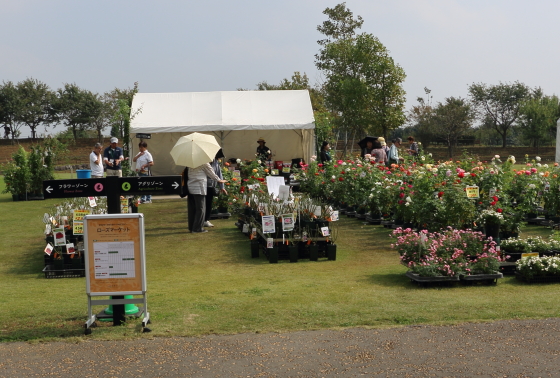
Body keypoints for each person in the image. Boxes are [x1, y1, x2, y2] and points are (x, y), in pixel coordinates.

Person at [187, 162, 227, 233]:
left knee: (193, 209)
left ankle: (191, 227)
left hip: (191, 186)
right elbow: (211, 173)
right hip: (199, 187)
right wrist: (219, 180)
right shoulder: (204, 162)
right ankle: (197, 229)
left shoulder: (190, 163)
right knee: (201, 209)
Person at [204, 149, 227, 228]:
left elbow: (219, 174)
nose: (219, 159)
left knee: (208, 203)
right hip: (203, 185)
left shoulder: (216, 162)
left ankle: (206, 220)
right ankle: (201, 220)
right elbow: (212, 174)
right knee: (202, 204)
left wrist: (222, 187)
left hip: (211, 186)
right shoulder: (206, 161)